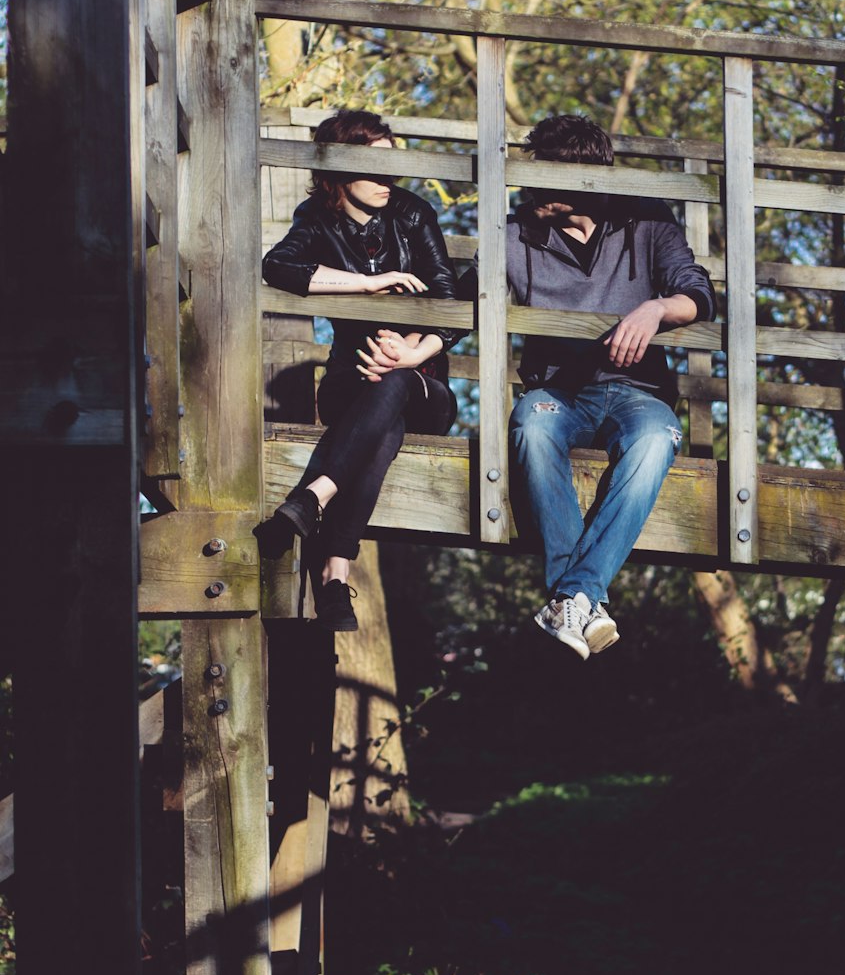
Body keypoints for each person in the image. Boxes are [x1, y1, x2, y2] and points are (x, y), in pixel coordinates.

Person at [506, 114, 715, 660]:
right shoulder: (516, 232)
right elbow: (461, 298)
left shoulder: (646, 219)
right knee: (531, 423)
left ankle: (568, 598)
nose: (529, 181)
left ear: (580, 176)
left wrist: (655, 309)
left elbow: (698, 293)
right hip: (557, 392)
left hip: (636, 392)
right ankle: (582, 600)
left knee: (657, 438)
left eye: (543, 169)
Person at [253, 108, 459, 630]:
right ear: (339, 171)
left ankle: (313, 497)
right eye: (373, 167)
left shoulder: (413, 212)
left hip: (425, 383)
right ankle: (334, 580)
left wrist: (413, 351)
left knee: (392, 388)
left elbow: (451, 298)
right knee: (380, 426)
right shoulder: (316, 216)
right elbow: (278, 266)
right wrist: (364, 283)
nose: (389, 180)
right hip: (352, 381)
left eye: (394, 166)